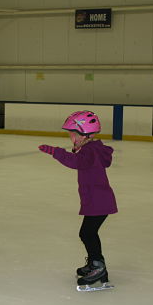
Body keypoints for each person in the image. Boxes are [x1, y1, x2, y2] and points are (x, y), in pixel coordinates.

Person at [38, 111, 118, 291]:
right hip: (97, 199)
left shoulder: (89, 151)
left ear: (85, 134)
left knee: (87, 233)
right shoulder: (92, 149)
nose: (70, 137)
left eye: (73, 134)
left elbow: (75, 162)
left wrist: (55, 152)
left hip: (98, 201)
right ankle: (96, 264)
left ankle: (97, 266)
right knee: (88, 233)